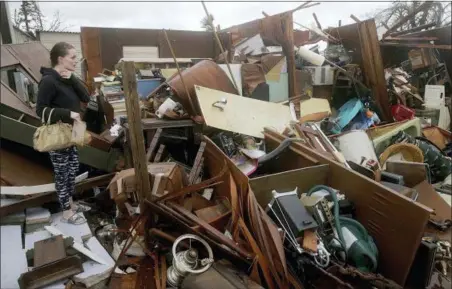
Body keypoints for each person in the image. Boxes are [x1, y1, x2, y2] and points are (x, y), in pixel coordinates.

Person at [36, 42, 91, 225]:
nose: (76, 61)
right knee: (62, 173)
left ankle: (71, 204)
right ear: (60, 59)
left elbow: (86, 97)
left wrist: (73, 79)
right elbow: (40, 110)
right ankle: (67, 212)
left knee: (73, 169)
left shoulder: (67, 78)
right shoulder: (48, 81)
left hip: (74, 130)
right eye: (72, 57)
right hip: (59, 132)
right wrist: (67, 113)